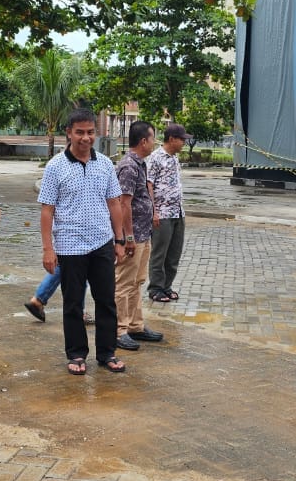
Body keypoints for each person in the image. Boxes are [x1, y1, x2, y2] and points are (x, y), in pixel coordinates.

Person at [39, 108, 128, 375]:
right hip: (69, 245)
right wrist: (48, 249)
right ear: (69, 133)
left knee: (106, 301)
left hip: (102, 242)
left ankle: (107, 353)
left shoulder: (105, 164)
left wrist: (120, 239)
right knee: (74, 303)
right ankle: (76, 354)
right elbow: (47, 210)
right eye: (80, 132)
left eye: (90, 132)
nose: (85, 138)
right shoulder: (55, 166)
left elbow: (114, 203)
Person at [115, 121, 163, 351]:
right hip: (132, 237)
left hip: (144, 234)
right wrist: (128, 238)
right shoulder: (128, 166)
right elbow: (123, 204)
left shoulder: (140, 164)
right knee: (123, 284)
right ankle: (119, 329)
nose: (155, 142)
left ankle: (135, 326)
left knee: (137, 282)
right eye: (153, 138)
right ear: (143, 141)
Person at [146, 123, 188, 303]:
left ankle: (167, 286)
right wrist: (153, 211)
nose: (184, 143)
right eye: (182, 139)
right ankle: (155, 289)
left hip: (177, 212)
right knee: (159, 253)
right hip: (161, 214)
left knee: (174, 253)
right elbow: (149, 184)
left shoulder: (174, 158)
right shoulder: (156, 158)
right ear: (172, 139)